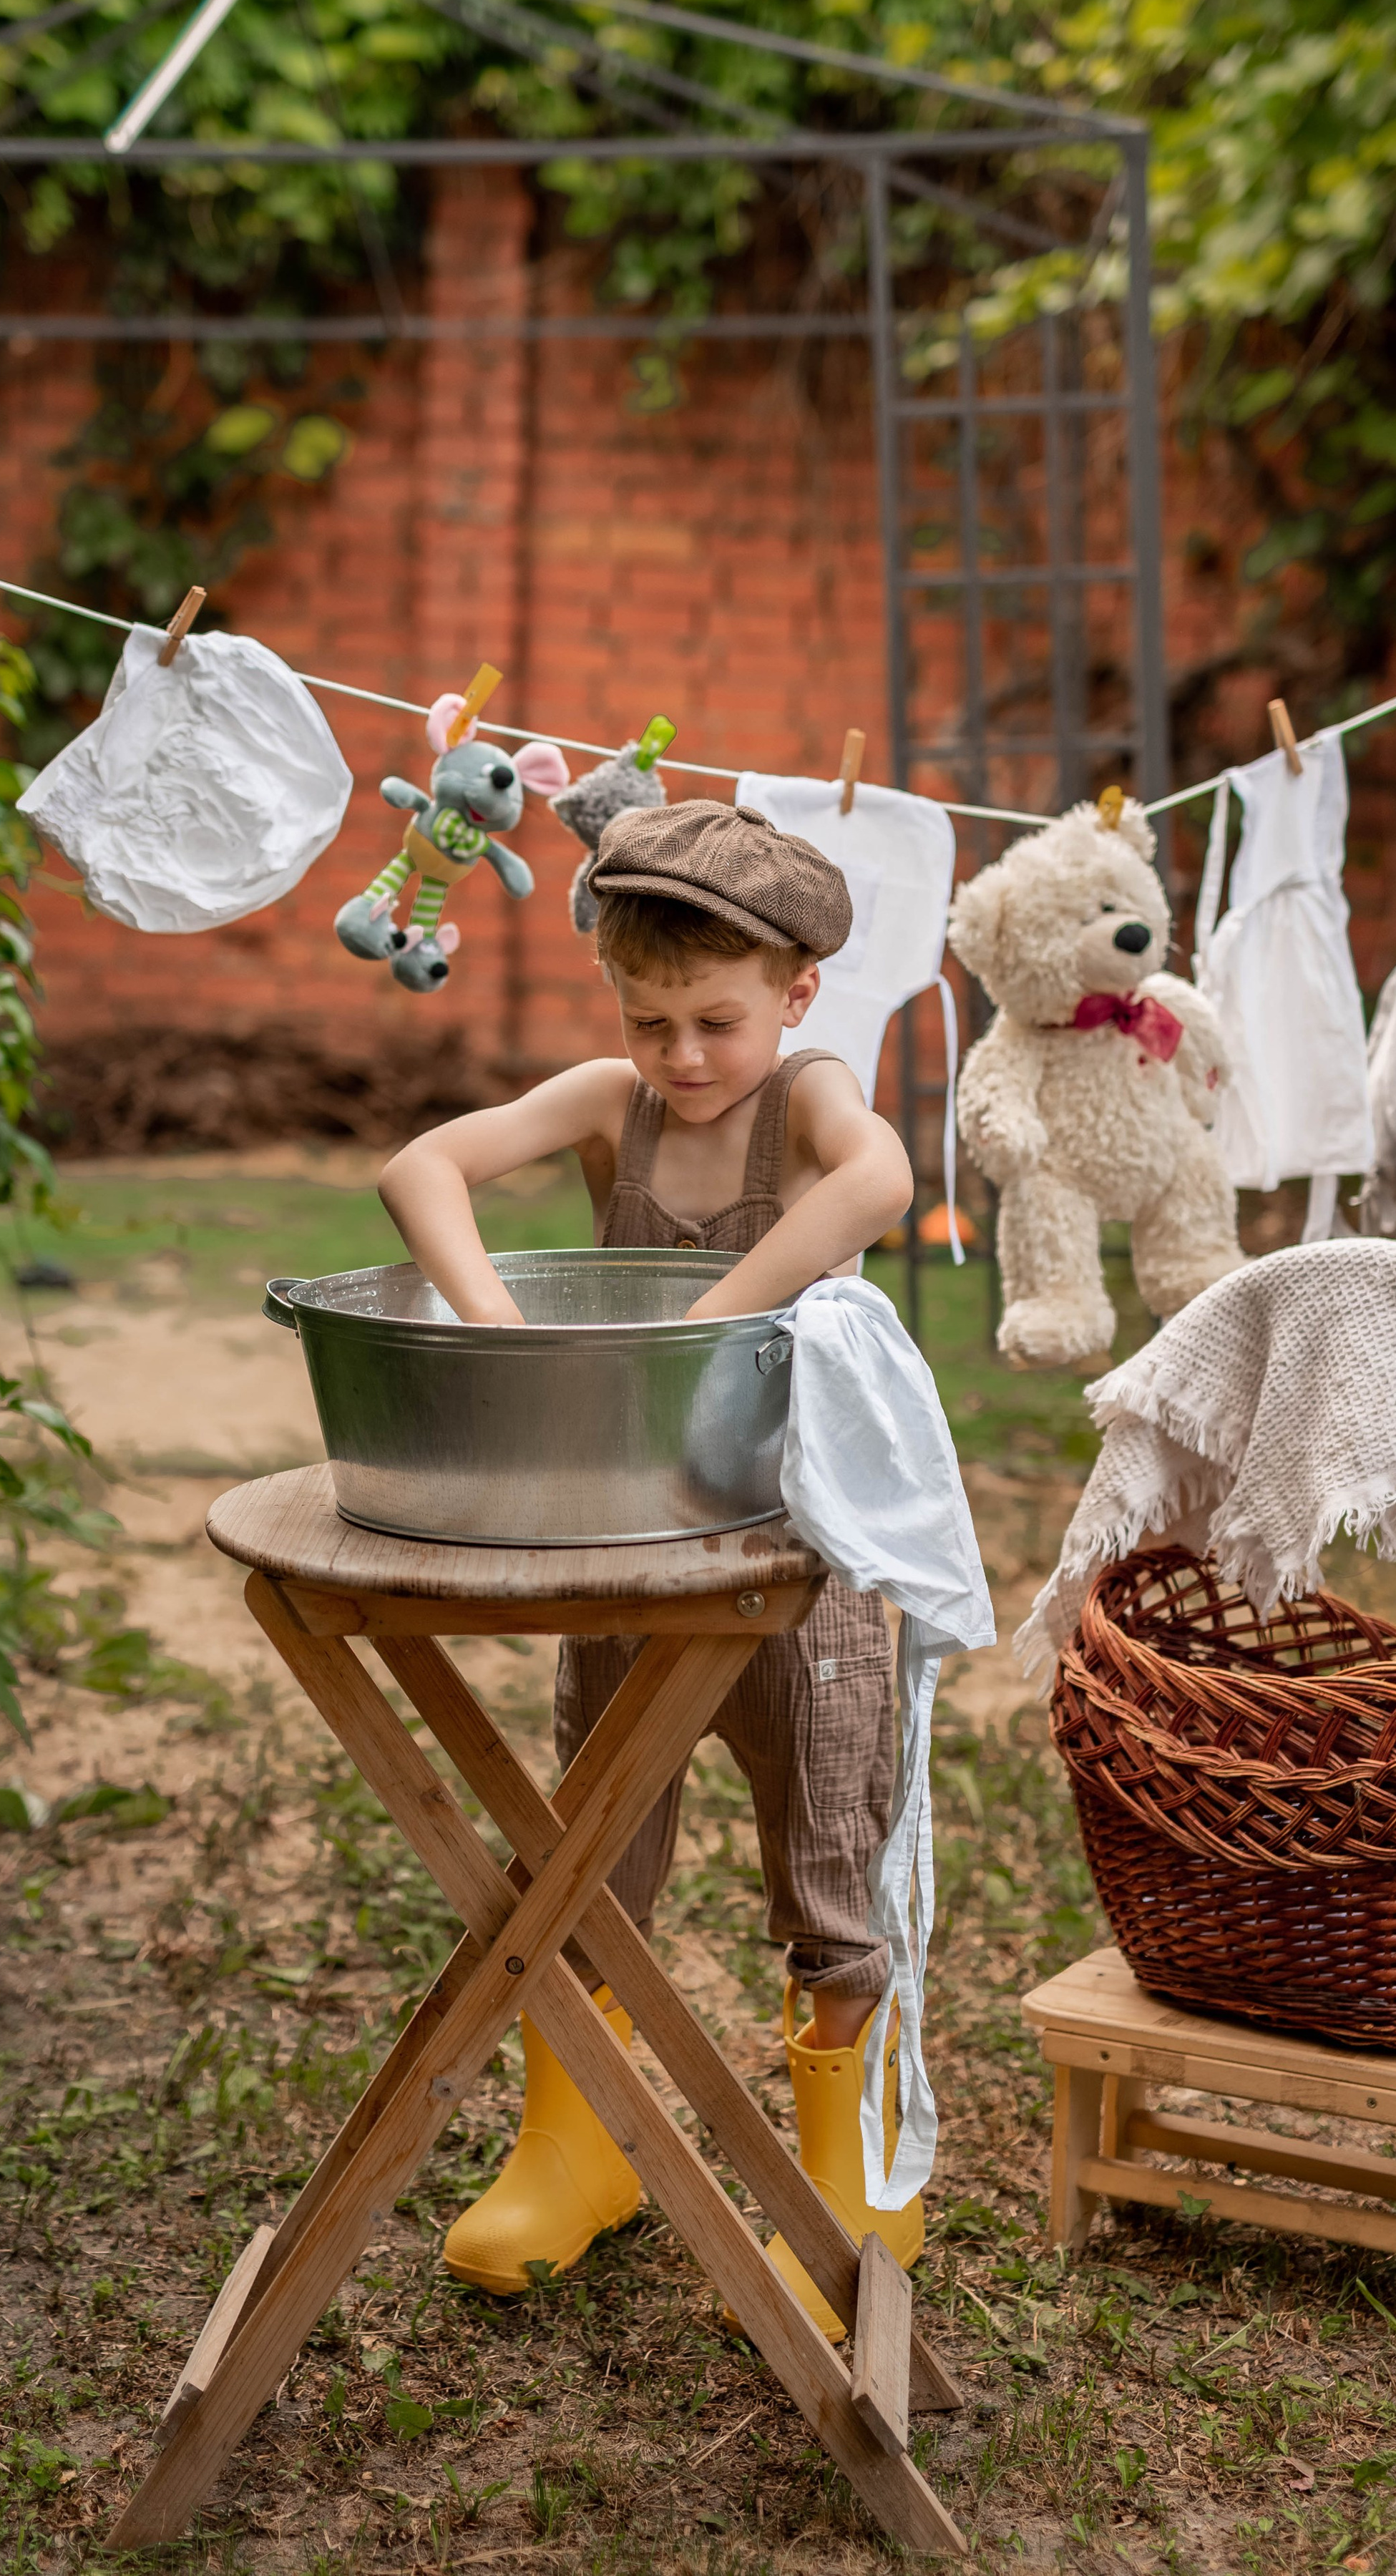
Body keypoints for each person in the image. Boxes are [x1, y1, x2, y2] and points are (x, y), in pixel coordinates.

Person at [377, 799, 917, 2336]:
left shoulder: (804, 1100)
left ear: (795, 995)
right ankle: (578, 2141)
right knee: (591, 1843)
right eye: (648, 1019)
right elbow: (423, 1170)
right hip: (627, 1542)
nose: (681, 1055)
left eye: (715, 1021)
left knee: (825, 1837)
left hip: (795, 1561)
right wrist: (492, 1329)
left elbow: (874, 1185)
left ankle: (842, 2160)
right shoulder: (614, 1099)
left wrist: (702, 1326)